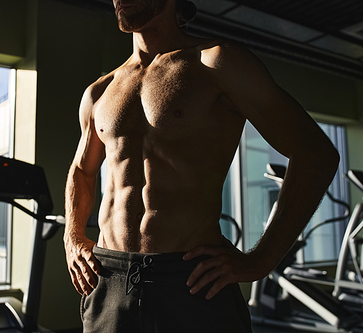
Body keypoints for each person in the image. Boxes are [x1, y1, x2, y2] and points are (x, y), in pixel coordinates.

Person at [64, 0, 340, 331]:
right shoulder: (100, 91)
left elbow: (315, 153)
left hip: (191, 279)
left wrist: (261, 260)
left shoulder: (216, 63)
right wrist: (73, 236)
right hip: (109, 278)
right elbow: (82, 170)